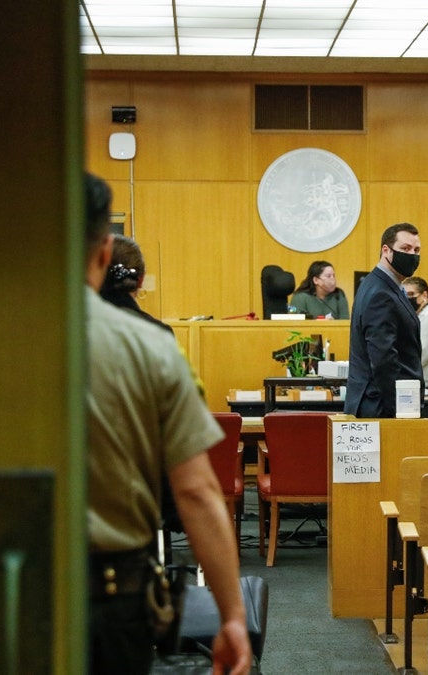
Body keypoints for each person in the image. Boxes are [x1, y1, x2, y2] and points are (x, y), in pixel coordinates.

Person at [83, 173, 252, 675]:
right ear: (103, 250)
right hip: (110, 591)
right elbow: (197, 491)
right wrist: (232, 616)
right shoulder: (150, 346)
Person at [345, 222, 424, 418]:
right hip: (381, 407)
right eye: (405, 248)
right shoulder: (380, 293)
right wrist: (398, 409)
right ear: (386, 250)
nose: (412, 255)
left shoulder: (383, 285)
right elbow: (383, 360)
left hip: (382, 403)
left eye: (416, 250)